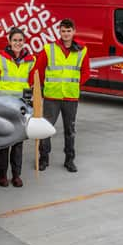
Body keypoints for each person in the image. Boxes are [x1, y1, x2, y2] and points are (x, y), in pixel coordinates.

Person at [35, 18, 90, 172]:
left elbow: (86, 72)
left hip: (70, 97)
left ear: (74, 32)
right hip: (52, 97)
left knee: (70, 130)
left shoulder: (82, 50)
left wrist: (75, 85)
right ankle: (44, 159)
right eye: (63, 31)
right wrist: (34, 87)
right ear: (59, 32)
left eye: (68, 31)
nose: (66, 33)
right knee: (46, 129)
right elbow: (38, 70)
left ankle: (69, 160)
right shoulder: (49, 48)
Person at [0, 27, 36, 187]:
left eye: (20, 40)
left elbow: (32, 84)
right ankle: (2, 175)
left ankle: (16, 175)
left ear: (24, 42)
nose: (17, 43)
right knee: (4, 143)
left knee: (18, 143)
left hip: (21, 108)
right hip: (3, 108)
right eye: (14, 40)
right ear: (9, 41)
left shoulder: (30, 61)